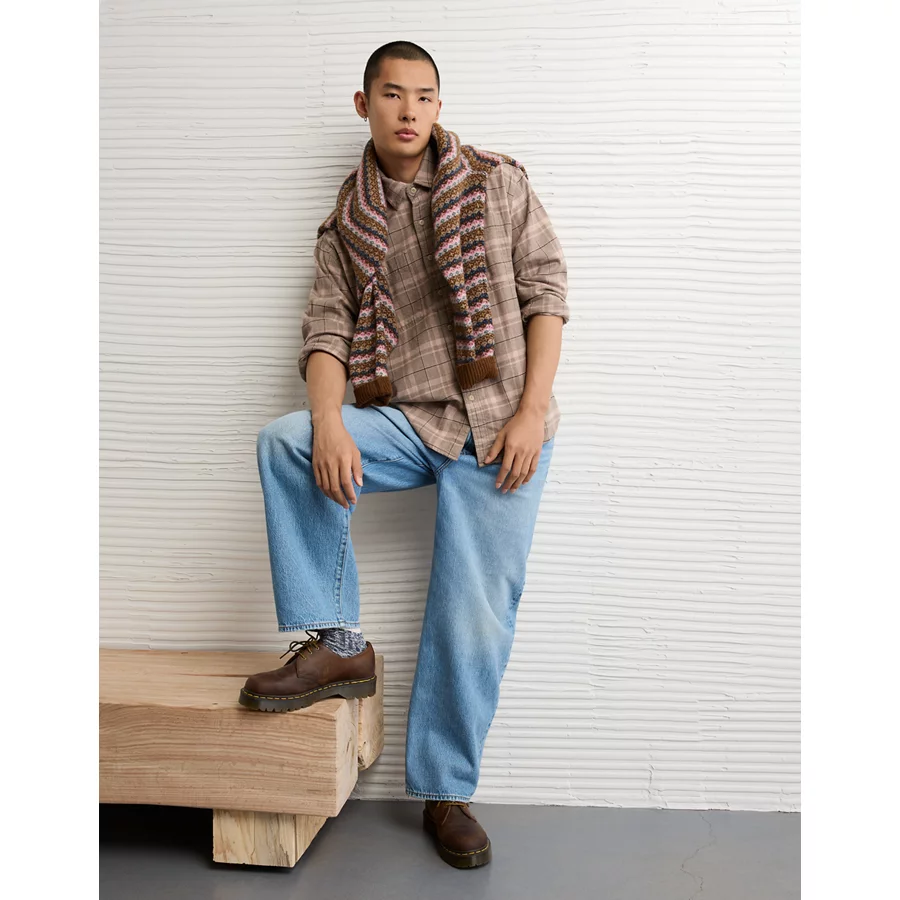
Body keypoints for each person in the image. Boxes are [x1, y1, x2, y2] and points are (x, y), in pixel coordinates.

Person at [239, 41, 570, 869]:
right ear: (365, 104)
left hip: (503, 429)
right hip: (415, 419)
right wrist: (328, 421)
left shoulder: (496, 183)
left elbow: (547, 291)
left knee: (470, 615)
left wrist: (532, 412)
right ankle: (339, 642)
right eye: (393, 95)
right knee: (286, 441)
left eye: (424, 95)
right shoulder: (348, 224)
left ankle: (445, 793)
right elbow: (326, 331)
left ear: (439, 106)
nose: (410, 110)